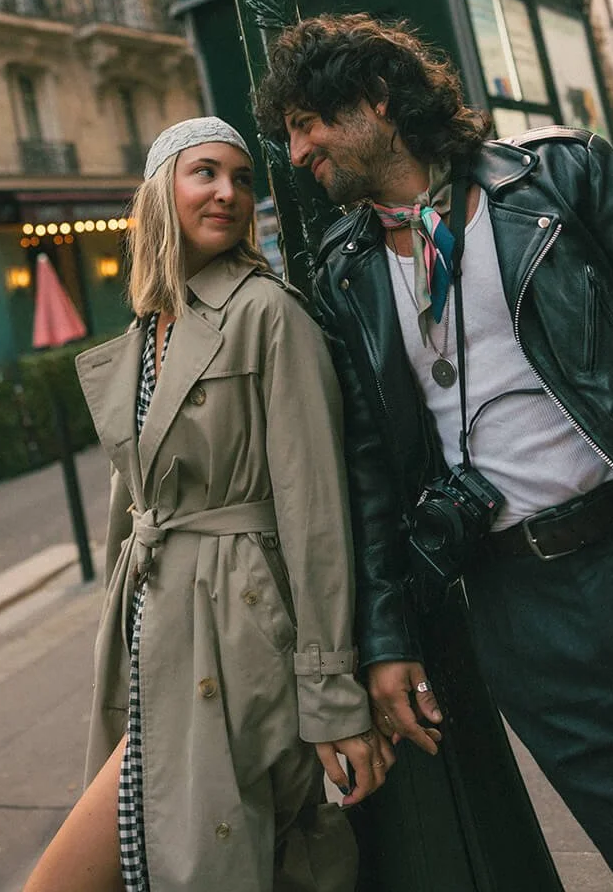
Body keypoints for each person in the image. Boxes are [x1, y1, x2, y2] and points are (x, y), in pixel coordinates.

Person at [253, 14, 613, 892]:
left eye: (309, 121)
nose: (298, 148)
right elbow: (369, 472)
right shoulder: (343, 273)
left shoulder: (559, 173)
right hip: (521, 612)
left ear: (377, 99)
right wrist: (385, 641)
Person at [22, 117, 391, 892]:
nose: (228, 192)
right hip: (152, 627)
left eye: (242, 178)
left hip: (236, 628)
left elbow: (315, 514)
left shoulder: (267, 314)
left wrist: (330, 697)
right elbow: (137, 501)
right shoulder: (147, 326)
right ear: (161, 193)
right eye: (205, 173)